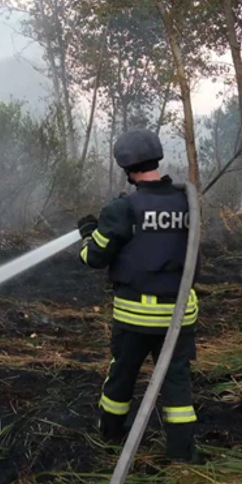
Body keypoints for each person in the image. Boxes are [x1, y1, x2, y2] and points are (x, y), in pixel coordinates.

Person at [77, 127, 199, 463]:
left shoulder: (123, 209)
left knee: (123, 375)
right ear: (157, 158)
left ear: (126, 168)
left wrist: (88, 236)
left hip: (135, 316)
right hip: (179, 315)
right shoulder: (186, 202)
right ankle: (182, 454)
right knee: (177, 382)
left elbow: (94, 258)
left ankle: (111, 434)